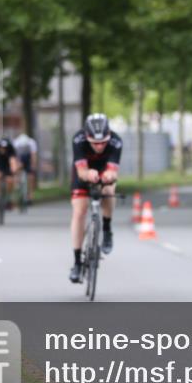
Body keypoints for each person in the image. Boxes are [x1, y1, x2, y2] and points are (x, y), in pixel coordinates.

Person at [69, 113, 122, 283]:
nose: (99, 146)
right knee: (79, 211)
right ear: (87, 137)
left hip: (104, 170)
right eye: (95, 143)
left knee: (108, 190)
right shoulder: (78, 140)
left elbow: (113, 171)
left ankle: (106, 228)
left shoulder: (116, 141)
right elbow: (81, 172)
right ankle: (77, 263)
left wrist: (108, 177)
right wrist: (87, 174)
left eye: (103, 142)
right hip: (84, 172)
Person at [0, 136, 20, 208]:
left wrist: (14, 171)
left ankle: (8, 199)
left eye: (4, 147)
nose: (3, 149)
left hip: (7, 166)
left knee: (10, 180)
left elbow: (13, 161)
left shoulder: (11, 148)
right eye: (1, 147)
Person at [13, 132, 38, 204]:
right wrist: (16, 165)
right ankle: (17, 185)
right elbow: (14, 157)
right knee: (16, 171)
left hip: (28, 159)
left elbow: (34, 155)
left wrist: (33, 165)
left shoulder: (32, 143)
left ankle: (30, 196)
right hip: (20, 158)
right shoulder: (16, 143)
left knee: (31, 176)